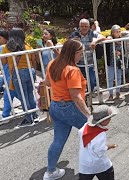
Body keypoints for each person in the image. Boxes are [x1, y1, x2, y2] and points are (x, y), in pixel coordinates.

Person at [43, 39, 90, 180]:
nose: (81, 56)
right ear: (73, 53)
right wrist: (89, 115)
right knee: (92, 132)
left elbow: (47, 83)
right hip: (70, 107)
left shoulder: (53, 64)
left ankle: (50, 172)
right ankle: (92, 166)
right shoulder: (72, 70)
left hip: (56, 106)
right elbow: (75, 96)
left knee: (58, 140)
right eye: (80, 53)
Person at [1, 28, 39, 127]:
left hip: (17, 73)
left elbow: (4, 62)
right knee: (30, 94)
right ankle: (35, 115)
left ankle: (28, 118)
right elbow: (34, 60)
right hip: (30, 71)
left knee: (23, 96)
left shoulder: (6, 48)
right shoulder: (28, 46)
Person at [78, 105, 118, 180]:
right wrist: (109, 146)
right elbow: (99, 150)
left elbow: (80, 133)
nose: (110, 120)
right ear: (103, 121)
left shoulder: (86, 125)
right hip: (98, 163)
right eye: (109, 118)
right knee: (108, 175)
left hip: (84, 163)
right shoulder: (100, 134)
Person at [69, 18, 105, 91]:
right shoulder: (75, 34)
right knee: (79, 83)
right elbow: (68, 42)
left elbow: (103, 37)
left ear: (89, 27)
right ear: (79, 26)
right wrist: (73, 42)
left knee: (92, 82)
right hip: (78, 64)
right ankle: (84, 97)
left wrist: (95, 41)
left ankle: (90, 94)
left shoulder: (92, 33)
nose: (84, 28)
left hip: (90, 63)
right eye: (82, 26)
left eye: (86, 26)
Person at [0, 29, 18, 125]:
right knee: (16, 93)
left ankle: (6, 115)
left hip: (9, 74)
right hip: (10, 73)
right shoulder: (10, 46)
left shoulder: (3, 47)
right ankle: (31, 108)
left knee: (8, 94)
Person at [106, 25, 124, 101]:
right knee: (110, 78)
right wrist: (108, 38)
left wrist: (120, 53)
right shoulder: (109, 39)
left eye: (119, 31)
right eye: (117, 31)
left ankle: (118, 93)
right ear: (113, 33)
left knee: (119, 78)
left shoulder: (122, 40)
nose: (119, 33)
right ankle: (110, 94)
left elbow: (124, 51)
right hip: (111, 62)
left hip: (118, 62)